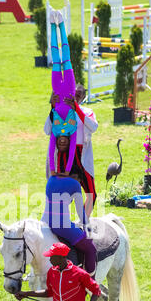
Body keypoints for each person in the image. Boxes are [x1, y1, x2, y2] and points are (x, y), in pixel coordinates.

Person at [45, 84, 99, 216]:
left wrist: (77, 109)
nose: (76, 95)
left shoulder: (87, 111)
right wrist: (52, 107)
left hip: (82, 156)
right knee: (62, 194)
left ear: (84, 97)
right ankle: (62, 223)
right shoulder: (59, 111)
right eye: (74, 92)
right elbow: (47, 130)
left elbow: (93, 127)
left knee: (91, 193)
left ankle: (84, 223)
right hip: (65, 155)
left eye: (80, 94)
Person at [41, 174, 97, 277]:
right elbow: (80, 212)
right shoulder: (75, 184)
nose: (80, 183)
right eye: (80, 181)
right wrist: (88, 228)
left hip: (44, 223)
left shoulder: (51, 179)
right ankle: (90, 281)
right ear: (76, 176)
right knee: (91, 248)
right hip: (62, 226)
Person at [47, 10, 78, 176]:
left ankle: (53, 25)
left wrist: (53, 170)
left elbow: (52, 153)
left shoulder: (55, 132)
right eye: (65, 144)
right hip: (70, 87)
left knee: (55, 56)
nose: (64, 142)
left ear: (58, 144)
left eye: (61, 144)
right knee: (66, 57)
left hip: (58, 89)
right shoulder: (72, 133)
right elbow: (72, 152)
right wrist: (66, 171)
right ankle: (62, 24)